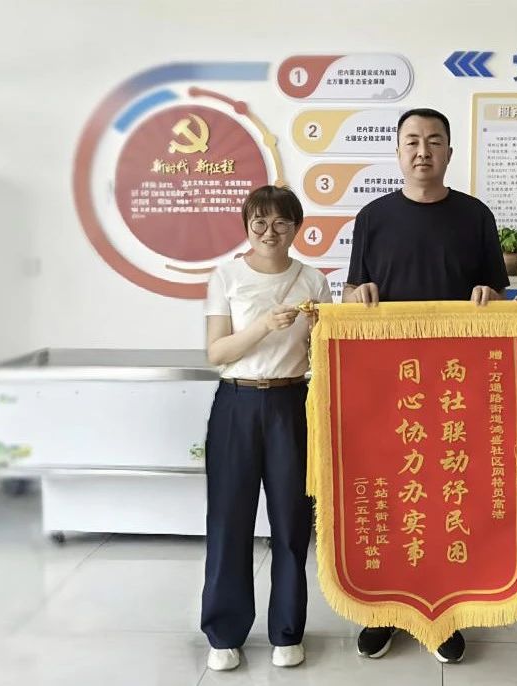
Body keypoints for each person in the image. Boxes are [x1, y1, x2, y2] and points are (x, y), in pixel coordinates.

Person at [344, 107, 509, 663]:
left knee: (447, 498)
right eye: (412, 141)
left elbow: (498, 296)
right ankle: (384, 612)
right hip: (387, 390)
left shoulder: (476, 216)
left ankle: (444, 616)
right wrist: (357, 297)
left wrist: (489, 297)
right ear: (397, 151)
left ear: (449, 152)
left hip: (454, 392)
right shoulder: (372, 217)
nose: (423, 151)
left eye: (434, 141)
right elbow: (351, 294)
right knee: (391, 499)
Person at [200, 185, 332, 672]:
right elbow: (217, 352)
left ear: (297, 228)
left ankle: (287, 631)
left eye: (281, 222)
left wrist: (320, 334)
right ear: (247, 226)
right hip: (235, 403)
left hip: (291, 403)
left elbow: (323, 351)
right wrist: (263, 326)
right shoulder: (226, 276)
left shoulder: (313, 280)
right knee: (228, 521)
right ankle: (224, 633)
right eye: (259, 222)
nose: (269, 232)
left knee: (292, 523)